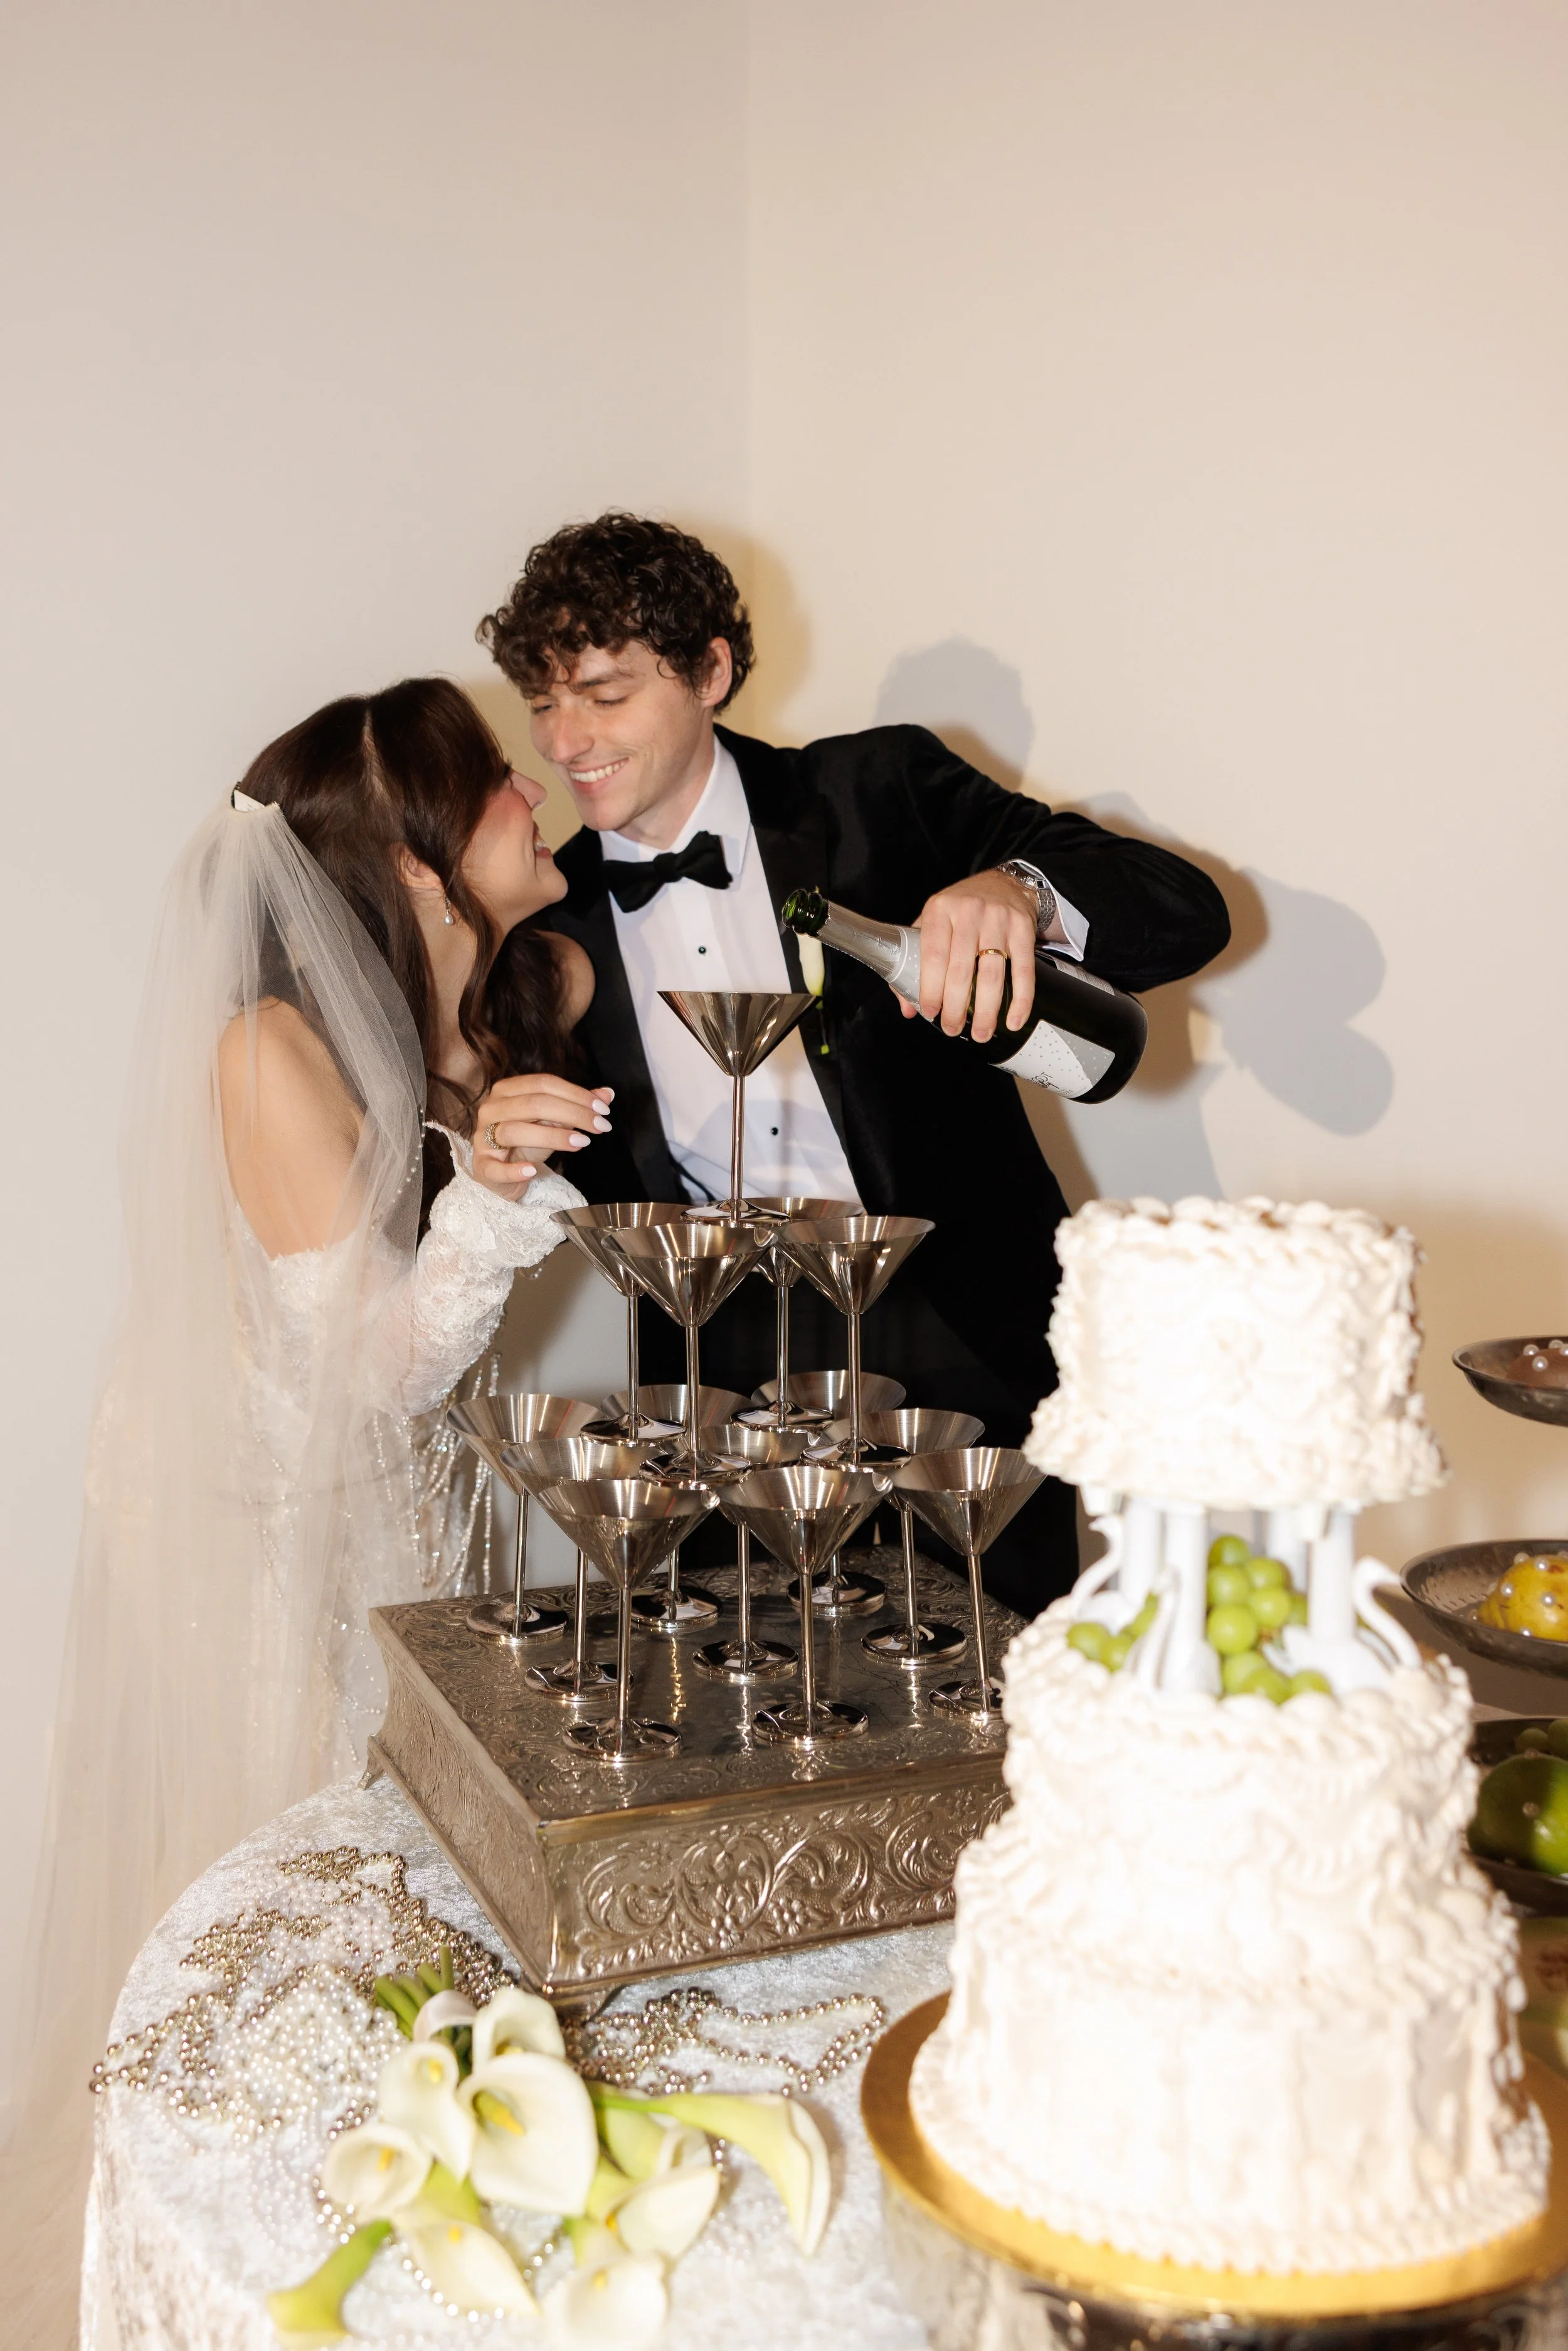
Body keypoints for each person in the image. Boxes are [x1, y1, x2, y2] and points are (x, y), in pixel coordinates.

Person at [5, 678, 609, 2348]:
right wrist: (490, 1200)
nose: (531, 786)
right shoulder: (265, 1049)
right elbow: (373, 1371)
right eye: (494, 779)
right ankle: (243, 2283)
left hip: (379, 1518)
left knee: (401, 1897)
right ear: (417, 857)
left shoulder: (459, 1014)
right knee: (296, 1895)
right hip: (263, 1535)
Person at [477, 515, 1231, 1612]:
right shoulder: (552, 916)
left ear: (711, 673)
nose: (565, 739)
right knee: (752, 1717)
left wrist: (1014, 890)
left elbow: (1184, 910)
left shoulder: (877, 792)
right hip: (718, 1391)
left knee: (1000, 1703)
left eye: (604, 693)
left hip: (959, 1351)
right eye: (543, 702)